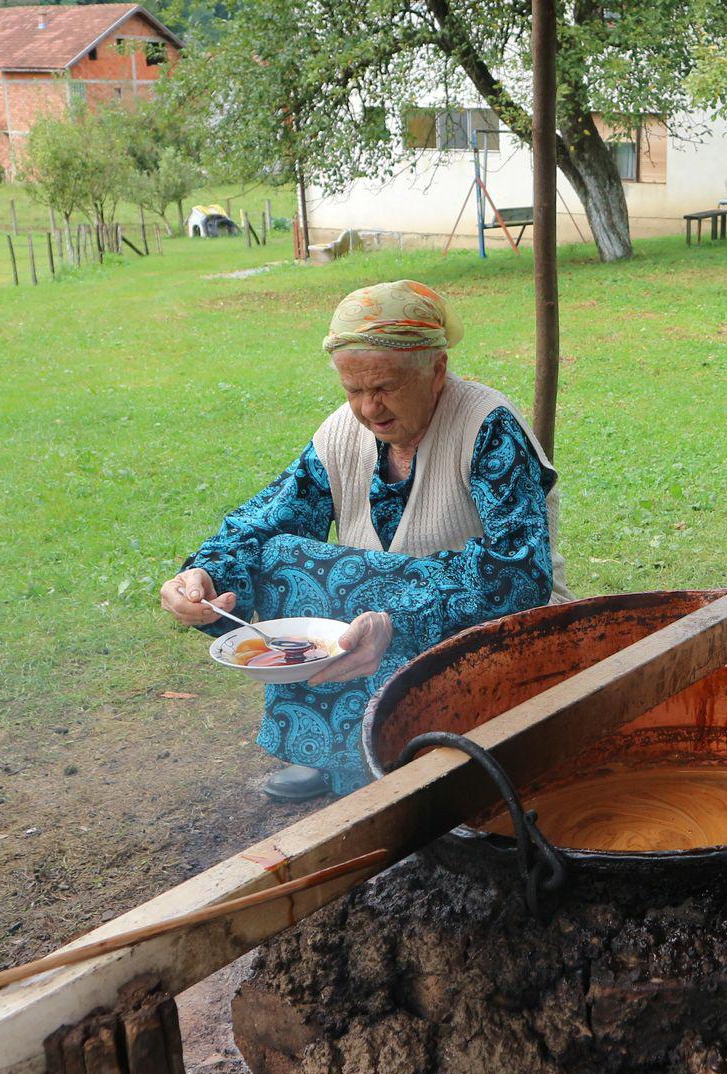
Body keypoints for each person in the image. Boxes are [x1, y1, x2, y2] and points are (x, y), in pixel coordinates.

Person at [160, 280, 568, 801]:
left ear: (437, 370)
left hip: (506, 630)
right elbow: (267, 521)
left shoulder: (488, 427)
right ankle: (334, 751)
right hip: (374, 629)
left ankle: (401, 760)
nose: (369, 409)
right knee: (280, 553)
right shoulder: (342, 433)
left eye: (386, 387)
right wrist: (206, 576)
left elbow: (518, 576)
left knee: (358, 586)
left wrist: (397, 617)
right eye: (353, 390)